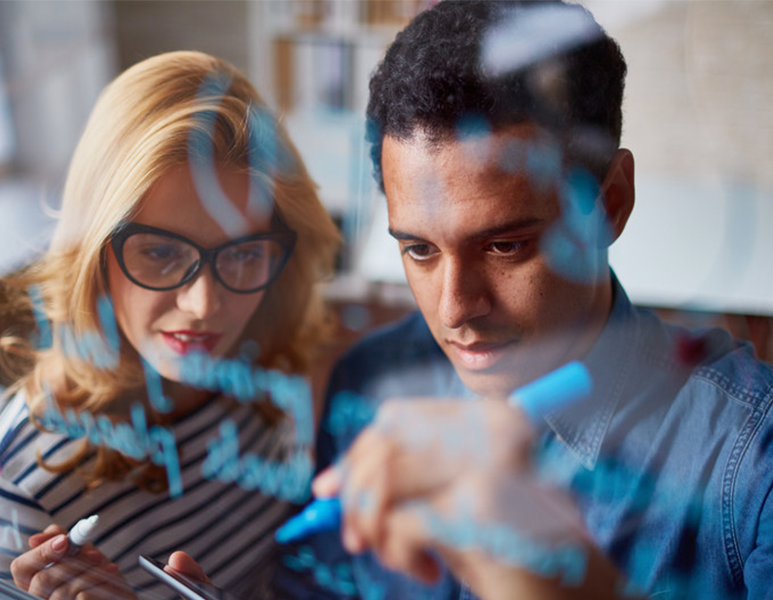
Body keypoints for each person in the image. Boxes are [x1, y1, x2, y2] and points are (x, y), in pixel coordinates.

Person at [168, 1, 773, 598]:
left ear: (610, 203)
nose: (455, 309)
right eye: (420, 251)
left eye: (506, 246)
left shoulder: (754, 463)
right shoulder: (372, 382)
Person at [0, 50, 340, 599]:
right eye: (162, 253)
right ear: (93, 255)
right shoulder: (10, 496)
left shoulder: (262, 377)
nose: (203, 305)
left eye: (243, 254)